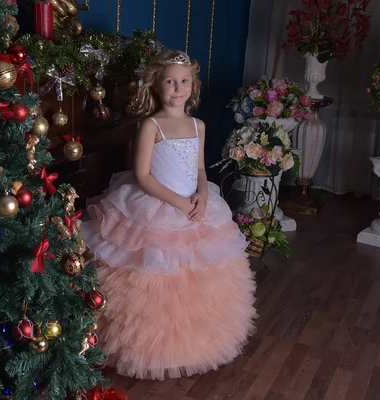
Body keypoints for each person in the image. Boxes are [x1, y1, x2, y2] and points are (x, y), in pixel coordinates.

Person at [80, 49, 257, 380]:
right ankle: (150, 349)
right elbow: (143, 175)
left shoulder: (197, 125)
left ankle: (195, 345)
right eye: (170, 82)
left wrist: (203, 195)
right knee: (152, 278)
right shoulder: (150, 126)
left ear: (193, 85)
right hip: (158, 205)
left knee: (198, 276)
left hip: (194, 203)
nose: (178, 88)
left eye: (184, 81)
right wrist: (177, 202)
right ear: (157, 86)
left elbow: (200, 168)